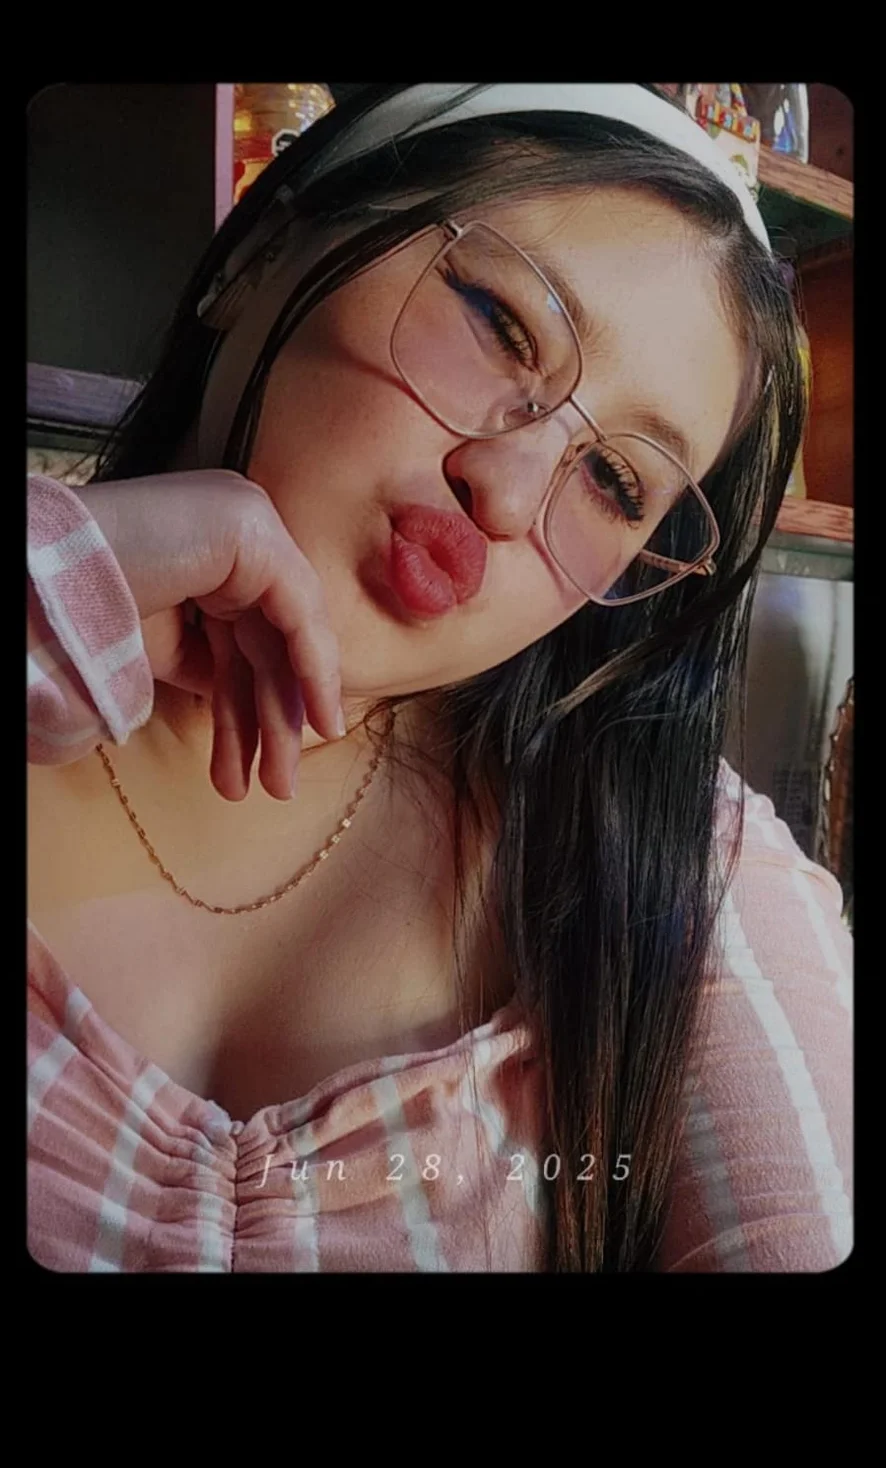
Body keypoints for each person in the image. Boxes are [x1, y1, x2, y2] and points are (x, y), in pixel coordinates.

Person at [27, 83, 852, 1273]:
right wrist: (56, 578)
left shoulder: (676, 874)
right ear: (254, 258)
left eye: (616, 483)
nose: (507, 494)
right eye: (500, 324)